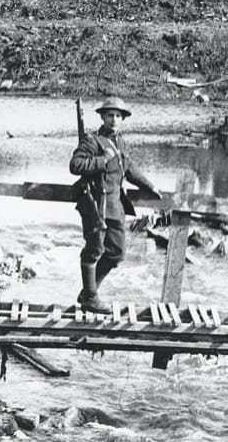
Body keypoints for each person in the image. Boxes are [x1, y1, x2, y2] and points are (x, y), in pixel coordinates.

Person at [69, 96, 162, 313]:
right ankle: (91, 296)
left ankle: (87, 293)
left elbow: (128, 168)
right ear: (102, 117)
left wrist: (150, 186)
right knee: (94, 250)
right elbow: (75, 165)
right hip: (96, 204)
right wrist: (102, 161)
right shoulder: (92, 140)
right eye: (110, 115)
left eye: (118, 116)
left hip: (115, 205)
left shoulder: (119, 141)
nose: (114, 120)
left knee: (116, 252)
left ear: (123, 119)